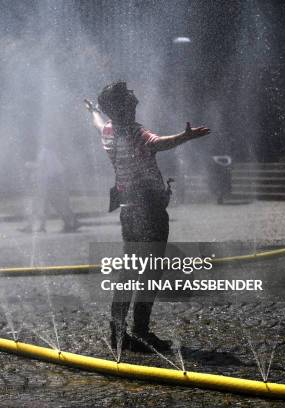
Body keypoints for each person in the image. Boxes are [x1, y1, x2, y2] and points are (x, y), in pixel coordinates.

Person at [85, 81, 211, 353]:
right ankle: (140, 334)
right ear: (123, 107)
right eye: (130, 99)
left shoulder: (108, 130)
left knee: (129, 271)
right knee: (150, 272)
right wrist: (184, 137)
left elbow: (97, 123)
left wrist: (93, 110)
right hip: (150, 211)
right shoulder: (135, 133)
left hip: (128, 210)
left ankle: (118, 334)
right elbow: (159, 143)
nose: (135, 100)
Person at [19, 146, 80, 233]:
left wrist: (29, 165)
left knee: (44, 205)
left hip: (49, 183)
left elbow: (44, 167)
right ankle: (39, 226)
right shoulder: (46, 152)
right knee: (48, 205)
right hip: (48, 183)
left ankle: (36, 226)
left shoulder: (44, 152)